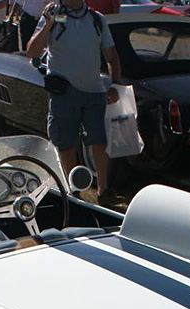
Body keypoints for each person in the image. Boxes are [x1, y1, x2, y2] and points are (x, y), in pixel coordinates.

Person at [26, 0, 121, 204]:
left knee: (99, 141)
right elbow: (32, 51)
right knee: (65, 143)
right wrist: (49, 23)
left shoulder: (97, 20)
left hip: (94, 91)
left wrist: (115, 85)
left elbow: (112, 55)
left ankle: (103, 190)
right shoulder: (52, 16)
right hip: (63, 91)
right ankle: (72, 190)